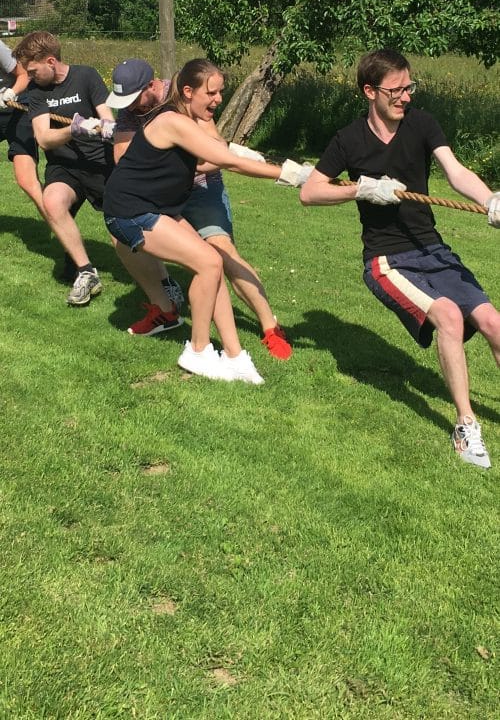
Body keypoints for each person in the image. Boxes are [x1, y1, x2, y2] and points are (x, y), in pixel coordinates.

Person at [300, 47, 500, 469]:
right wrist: (361, 189)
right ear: (369, 91)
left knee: (492, 322)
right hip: (387, 260)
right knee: (448, 316)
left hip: (432, 248)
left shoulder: (422, 124)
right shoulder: (349, 140)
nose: (406, 97)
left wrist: (490, 199)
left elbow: (455, 171)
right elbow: (310, 191)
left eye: (409, 87)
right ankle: (466, 426)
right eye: (396, 90)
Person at [102, 58, 293, 383]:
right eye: (212, 93)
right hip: (129, 211)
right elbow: (227, 161)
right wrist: (292, 174)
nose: (218, 100)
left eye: (220, 92)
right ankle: (198, 350)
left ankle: (234, 355)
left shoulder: (184, 116)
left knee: (213, 262)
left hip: (158, 205)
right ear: (188, 92)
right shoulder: (172, 121)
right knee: (209, 262)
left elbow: (210, 158)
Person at [14, 31, 116, 306]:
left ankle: (162, 280)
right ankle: (86, 272)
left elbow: (106, 115)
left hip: (100, 163)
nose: (30, 77)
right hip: (64, 167)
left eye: (33, 71)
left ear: (51, 61)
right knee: (52, 201)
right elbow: (44, 138)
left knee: (123, 229)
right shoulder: (37, 92)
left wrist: (107, 126)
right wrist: (74, 129)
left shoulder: (86, 76)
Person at [0, 37, 45, 216]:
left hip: (17, 108)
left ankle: (58, 219)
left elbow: (24, 74)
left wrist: (11, 92)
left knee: (26, 180)